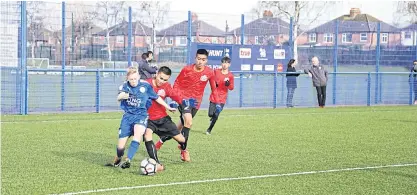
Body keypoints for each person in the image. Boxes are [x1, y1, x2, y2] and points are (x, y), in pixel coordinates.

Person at [154, 49, 220, 162]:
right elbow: (177, 83)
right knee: (189, 121)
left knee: (177, 128)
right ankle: (184, 150)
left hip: (196, 103)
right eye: (199, 59)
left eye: (203, 60)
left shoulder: (209, 72)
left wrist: (217, 103)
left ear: (206, 60)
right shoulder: (187, 69)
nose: (200, 62)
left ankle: (160, 142)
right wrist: (176, 98)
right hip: (183, 99)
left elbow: (214, 88)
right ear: (195, 58)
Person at [106, 67, 176, 170]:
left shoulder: (145, 86)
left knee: (138, 136)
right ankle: (118, 158)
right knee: (120, 147)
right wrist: (123, 95)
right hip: (128, 117)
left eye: (135, 78)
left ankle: (128, 160)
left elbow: (156, 98)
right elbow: (118, 97)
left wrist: (168, 107)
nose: (133, 81)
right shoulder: (124, 86)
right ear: (127, 79)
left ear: (138, 76)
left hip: (141, 116)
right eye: (131, 79)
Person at [143, 66, 191, 164]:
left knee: (182, 140)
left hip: (162, 118)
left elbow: (176, 96)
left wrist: (185, 103)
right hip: (148, 118)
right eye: (161, 78)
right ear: (156, 74)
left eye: (165, 80)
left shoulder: (166, 87)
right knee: (148, 135)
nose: (162, 81)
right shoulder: (146, 84)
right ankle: (156, 163)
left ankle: (183, 150)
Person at [206, 56, 234, 135]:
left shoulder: (230, 76)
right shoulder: (216, 71)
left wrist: (228, 84)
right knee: (210, 114)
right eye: (223, 62)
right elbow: (211, 79)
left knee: (216, 114)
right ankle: (212, 117)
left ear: (229, 65)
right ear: (221, 64)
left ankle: (209, 130)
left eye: (227, 63)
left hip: (222, 98)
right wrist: (215, 83)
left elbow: (231, 88)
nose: (225, 64)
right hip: (214, 97)